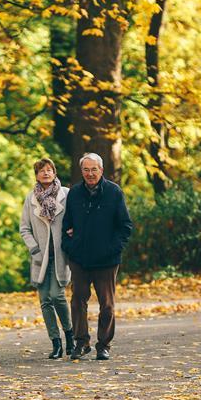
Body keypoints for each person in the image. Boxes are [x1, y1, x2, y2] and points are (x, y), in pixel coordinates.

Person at [61, 153, 133, 361]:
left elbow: (125, 226)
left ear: (101, 170)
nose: (90, 174)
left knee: (107, 304)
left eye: (94, 169)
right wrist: (70, 247)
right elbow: (66, 225)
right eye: (86, 170)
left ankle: (104, 345)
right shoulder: (74, 194)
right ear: (81, 171)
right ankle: (81, 342)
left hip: (107, 260)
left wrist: (113, 248)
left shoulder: (113, 192)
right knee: (77, 301)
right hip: (80, 258)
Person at [20, 157, 74, 359]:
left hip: (61, 255)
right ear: (36, 175)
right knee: (44, 300)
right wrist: (34, 249)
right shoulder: (30, 198)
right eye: (41, 170)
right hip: (40, 257)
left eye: (49, 169)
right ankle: (56, 343)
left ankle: (70, 335)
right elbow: (24, 228)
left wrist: (72, 236)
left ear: (55, 172)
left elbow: (74, 220)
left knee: (57, 296)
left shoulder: (66, 194)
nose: (45, 173)